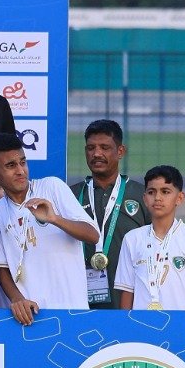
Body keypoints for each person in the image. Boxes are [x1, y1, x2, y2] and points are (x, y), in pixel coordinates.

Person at [0, 132, 98, 324]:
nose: (21, 170)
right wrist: (17, 298)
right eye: (11, 166)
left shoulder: (52, 187)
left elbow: (92, 235)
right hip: (28, 316)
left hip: (69, 310)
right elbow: (2, 267)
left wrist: (55, 219)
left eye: (23, 162)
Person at [70, 119, 148, 312]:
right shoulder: (70, 195)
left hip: (130, 304)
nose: (97, 154)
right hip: (78, 303)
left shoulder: (142, 195)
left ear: (120, 151)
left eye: (105, 147)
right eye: (91, 148)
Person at [114, 166, 185, 312]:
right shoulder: (132, 239)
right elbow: (127, 291)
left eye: (165, 192)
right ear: (145, 199)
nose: (157, 198)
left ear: (179, 198)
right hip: (142, 328)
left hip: (180, 327)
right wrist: (130, 328)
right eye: (151, 192)